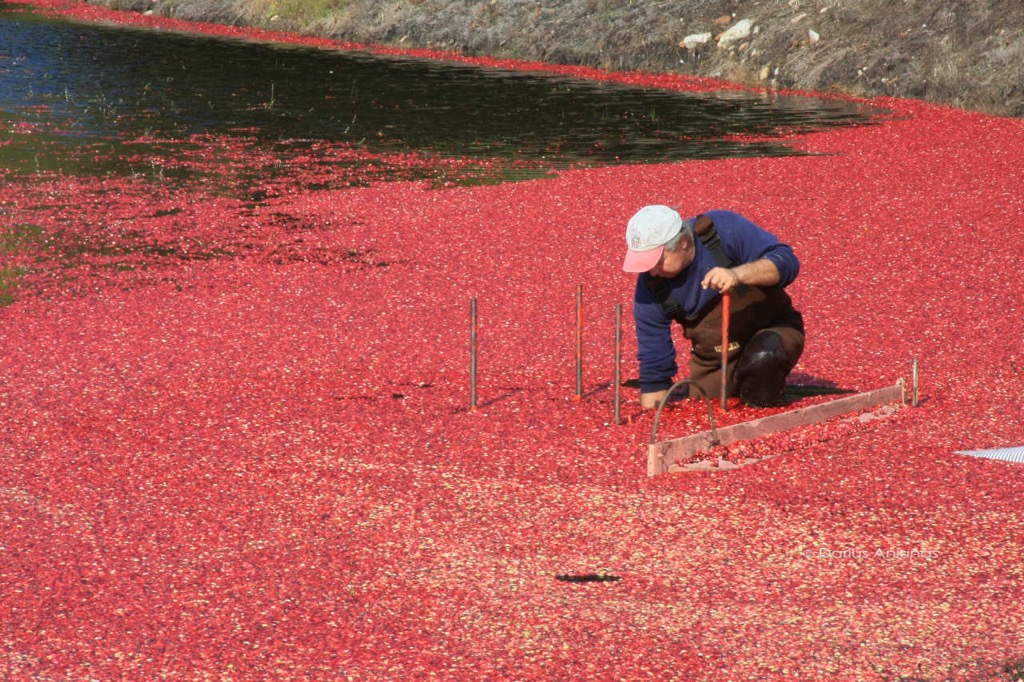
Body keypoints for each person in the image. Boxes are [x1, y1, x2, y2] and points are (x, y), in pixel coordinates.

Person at [622, 205, 805, 409]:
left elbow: (786, 262)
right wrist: (652, 419)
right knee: (710, 410)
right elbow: (654, 358)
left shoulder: (721, 230)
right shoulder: (651, 286)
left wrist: (738, 275)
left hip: (774, 327)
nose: (652, 272)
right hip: (715, 360)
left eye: (657, 262)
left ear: (682, 242)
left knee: (763, 360)